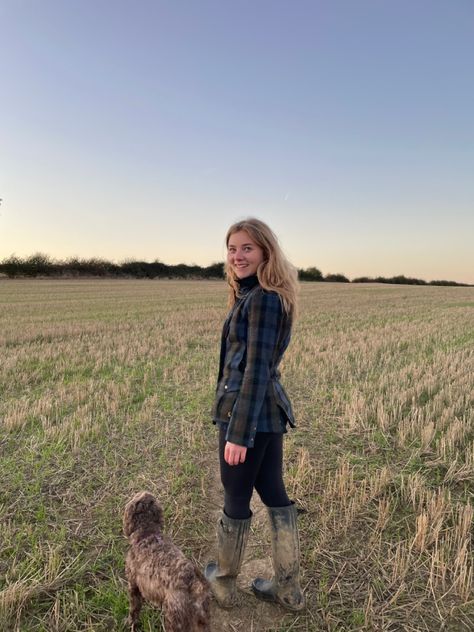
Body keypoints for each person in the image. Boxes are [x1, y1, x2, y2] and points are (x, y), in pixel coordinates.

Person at [204, 218, 305, 612]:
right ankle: (288, 589)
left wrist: (237, 434)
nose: (237, 256)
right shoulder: (255, 295)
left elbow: (256, 370)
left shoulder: (262, 298)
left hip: (249, 417)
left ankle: (224, 583)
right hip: (267, 415)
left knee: (236, 494)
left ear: (265, 251)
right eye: (232, 248)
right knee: (274, 493)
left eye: (247, 247)